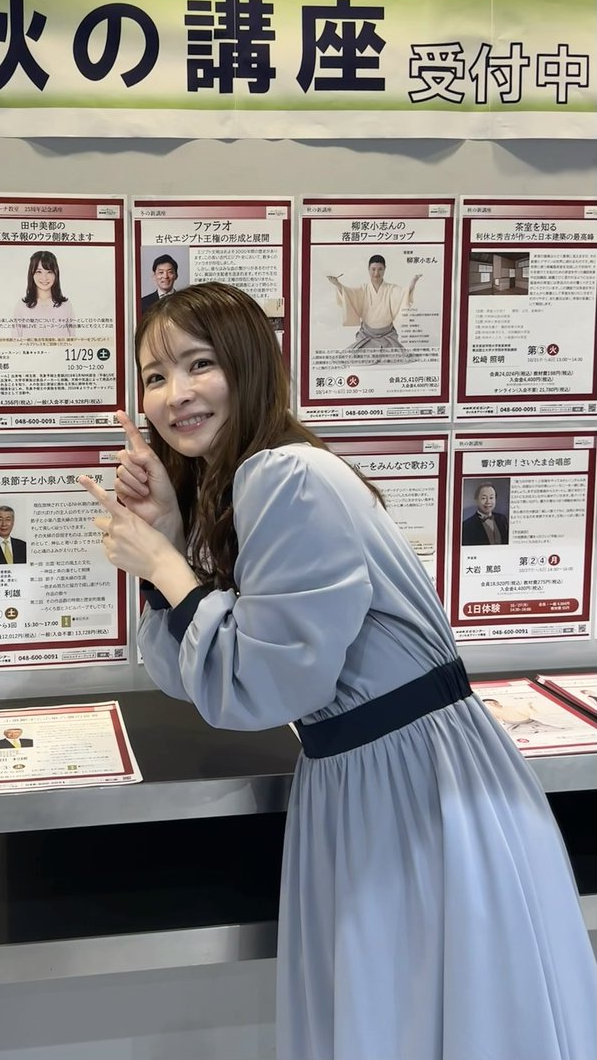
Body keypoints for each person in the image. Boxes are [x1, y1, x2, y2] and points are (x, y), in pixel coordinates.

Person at [78, 282, 597, 1060]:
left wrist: (165, 565)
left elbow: (265, 686)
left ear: (249, 366)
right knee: (408, 1012)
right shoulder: (251, 481)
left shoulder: (284, 475)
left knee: (409, 1014)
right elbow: (196, 674)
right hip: (371, 775)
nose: (175, 393)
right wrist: (172, 543)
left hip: (411, 783)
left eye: (199, 364)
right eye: (155, 376)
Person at [326, 254, 420, 361]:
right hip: (367, 335)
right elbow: (348, 294)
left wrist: (413, 282)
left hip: (387, 335)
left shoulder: (391, 289)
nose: (376, 273)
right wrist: (337, 284)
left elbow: (404, 294)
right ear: (368, 269)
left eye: (380, 269)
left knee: (397, 358)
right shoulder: (363, 289)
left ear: (385, 269)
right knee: (355, 358)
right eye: (373, 269)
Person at [12, 250, 75, 339]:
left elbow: (73, 341)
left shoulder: (66, 305)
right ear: (32, 274)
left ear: (56, 274)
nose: (44, 277)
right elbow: (15, 342)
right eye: (39, 271)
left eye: (49, 272)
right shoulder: (22, 306)